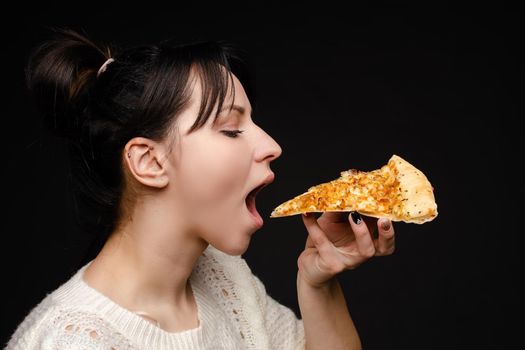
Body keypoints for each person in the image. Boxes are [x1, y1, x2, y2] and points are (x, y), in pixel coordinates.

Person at [5, 28, 396, 350]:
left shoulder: (225, 279)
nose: (272, 146)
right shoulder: (72, 341)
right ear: (149, 162)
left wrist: (318, 282)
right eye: (230, 129)